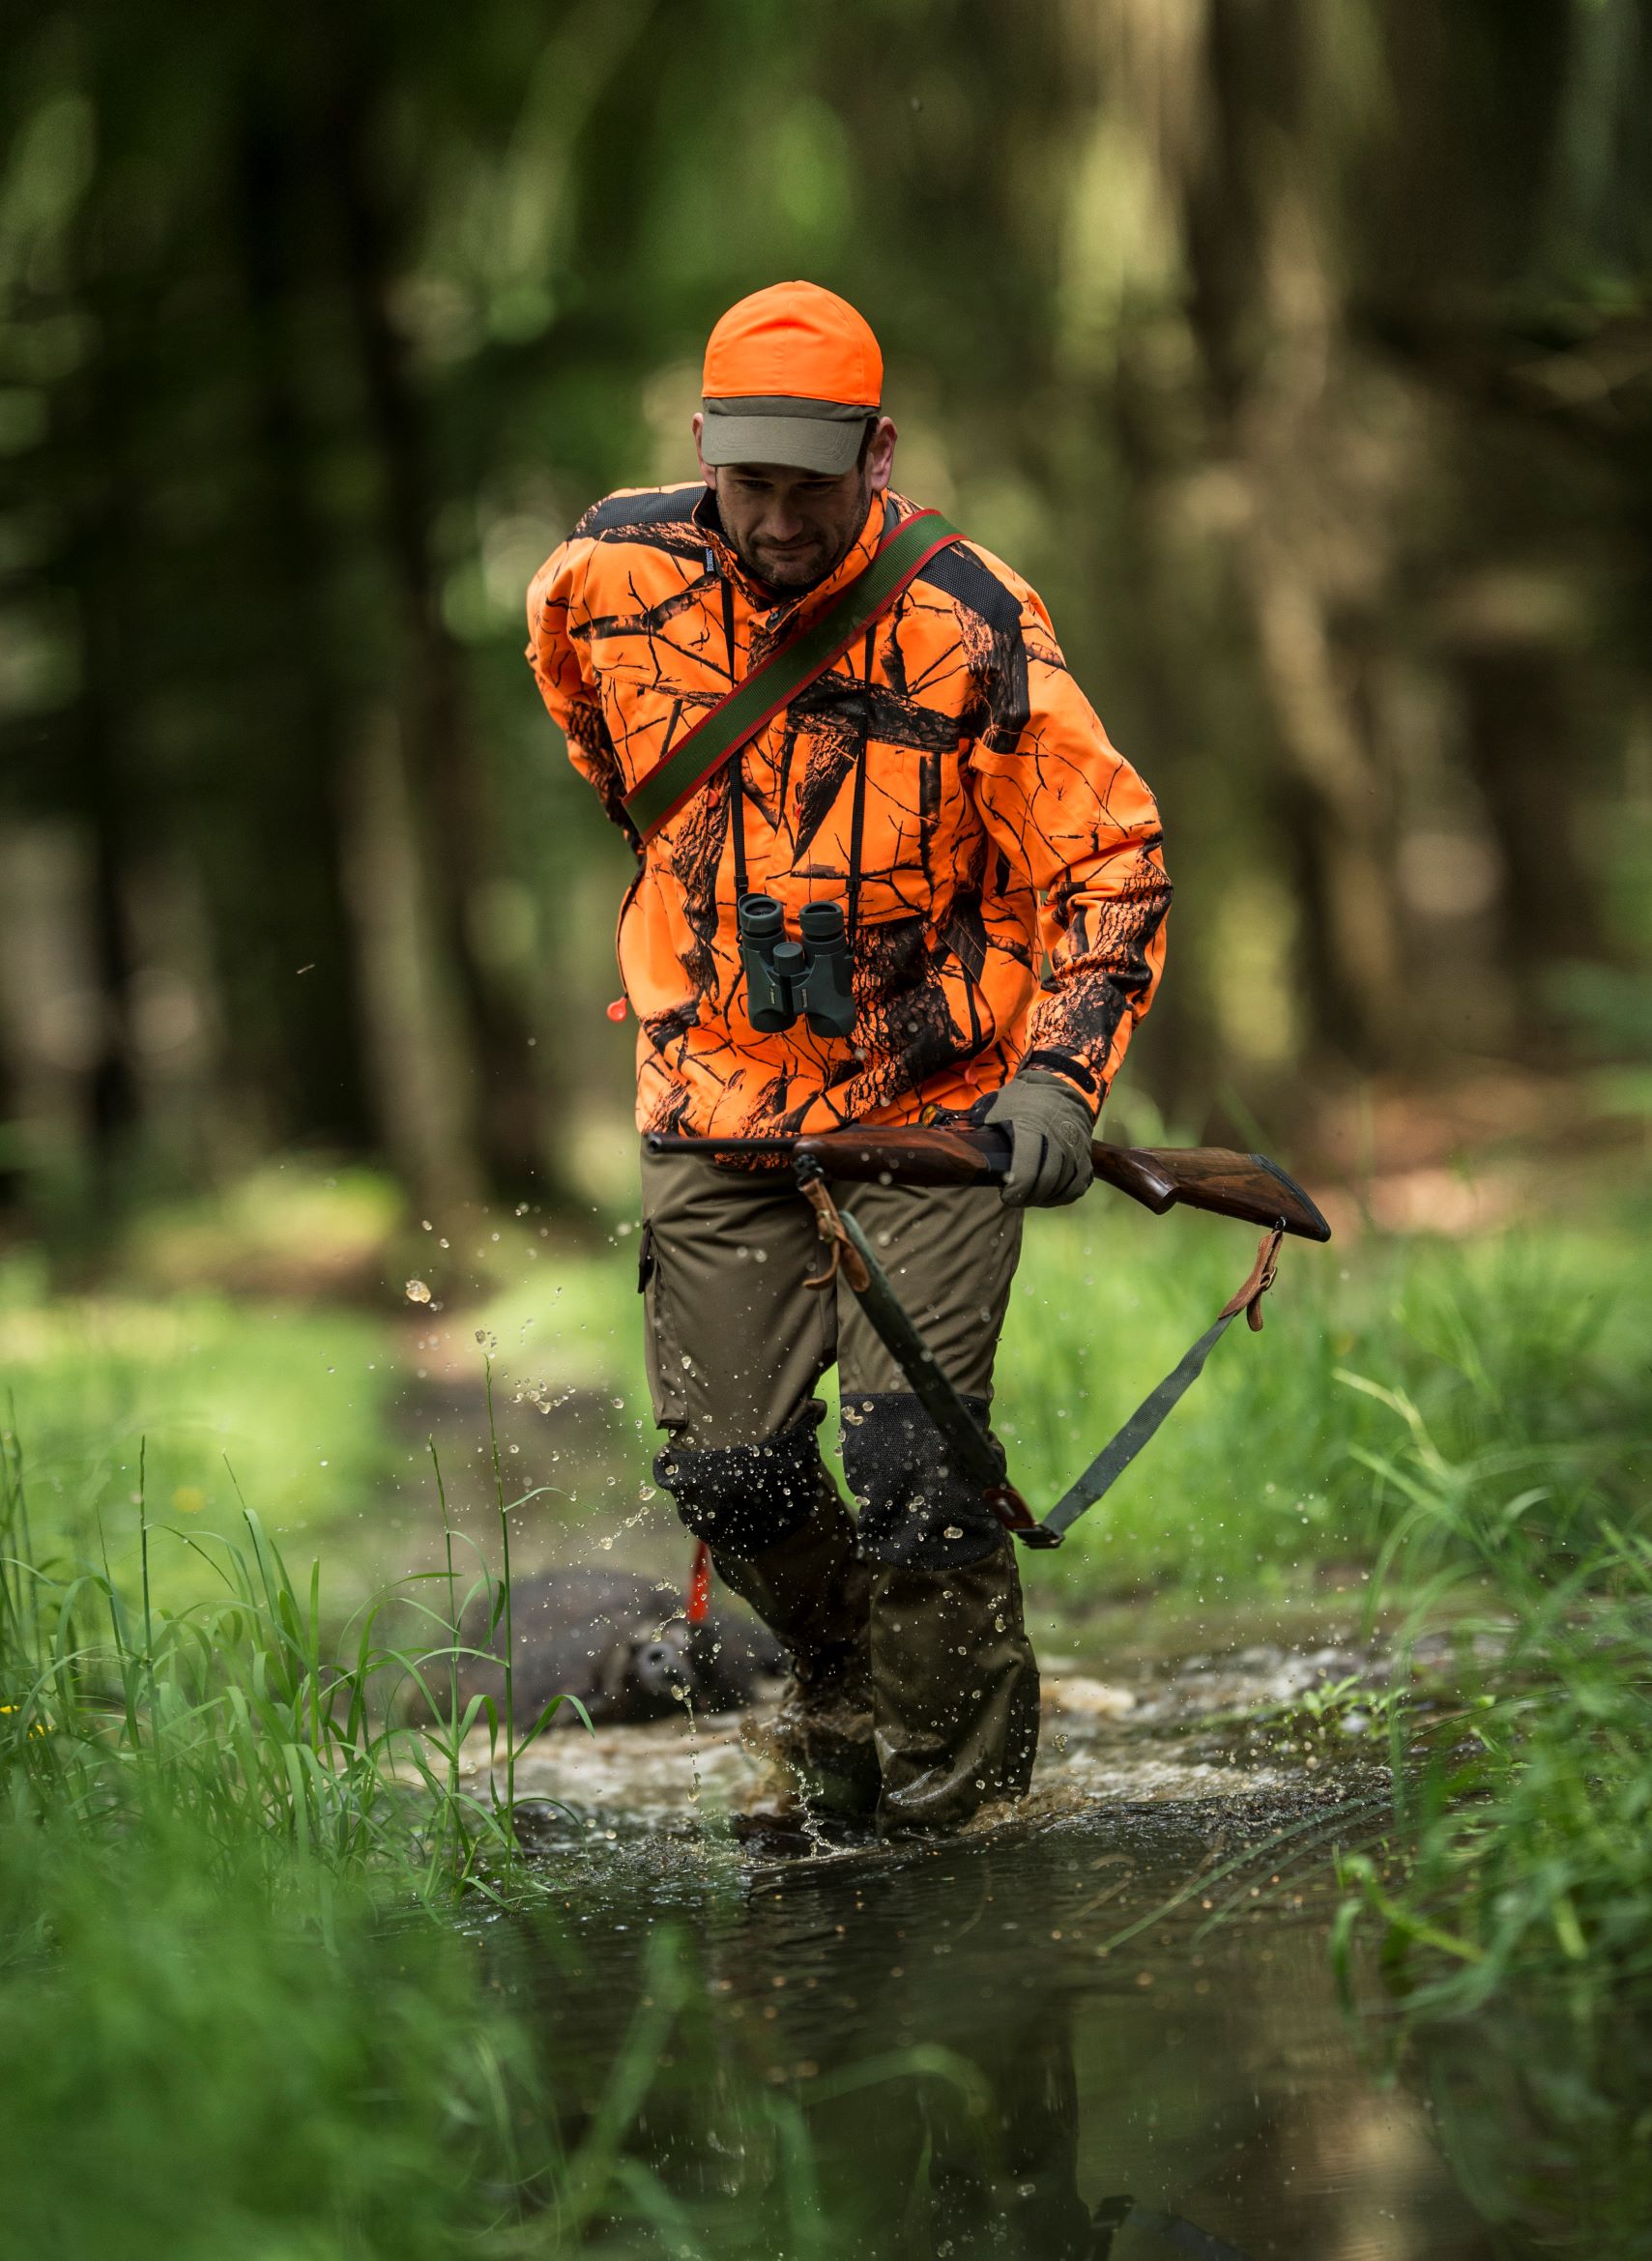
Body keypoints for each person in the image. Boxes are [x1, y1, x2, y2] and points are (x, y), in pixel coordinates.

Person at [526, 280, 1170, 1835]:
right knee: (731, 1478)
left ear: (877, 455)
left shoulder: (973, 616)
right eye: (751, 485)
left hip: (937, 1105)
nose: (781, 520)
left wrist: (1055, 1077)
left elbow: (1112, 858)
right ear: (703, 449)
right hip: (710, 1099)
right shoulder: (597, 579)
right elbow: (606, 753)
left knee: (912, 1467)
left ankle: (963, 1826)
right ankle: (842, 1684)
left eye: (813, 488)